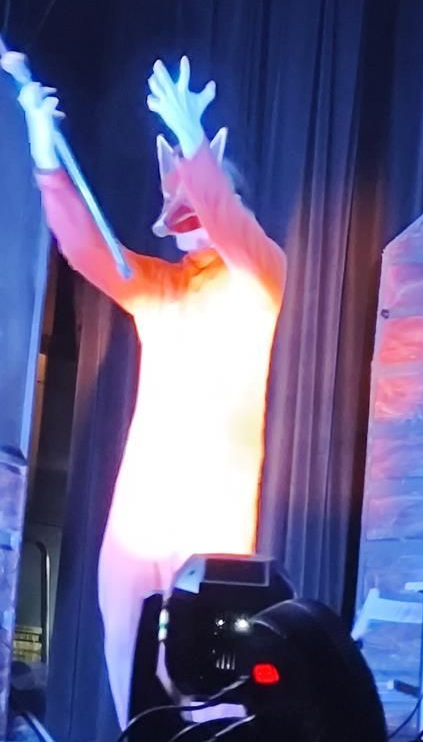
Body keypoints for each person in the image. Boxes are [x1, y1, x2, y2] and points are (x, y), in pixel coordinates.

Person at [15, 55, 287, 727]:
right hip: (137, 528)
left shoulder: (260, 278)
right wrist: (45, 154)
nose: (191, 205)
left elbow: (229, 222)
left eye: (206, 191)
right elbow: (87, 249)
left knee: (207, 699)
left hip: (208, 530)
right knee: (136, 697)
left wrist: (193, 141)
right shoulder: (162, 290)